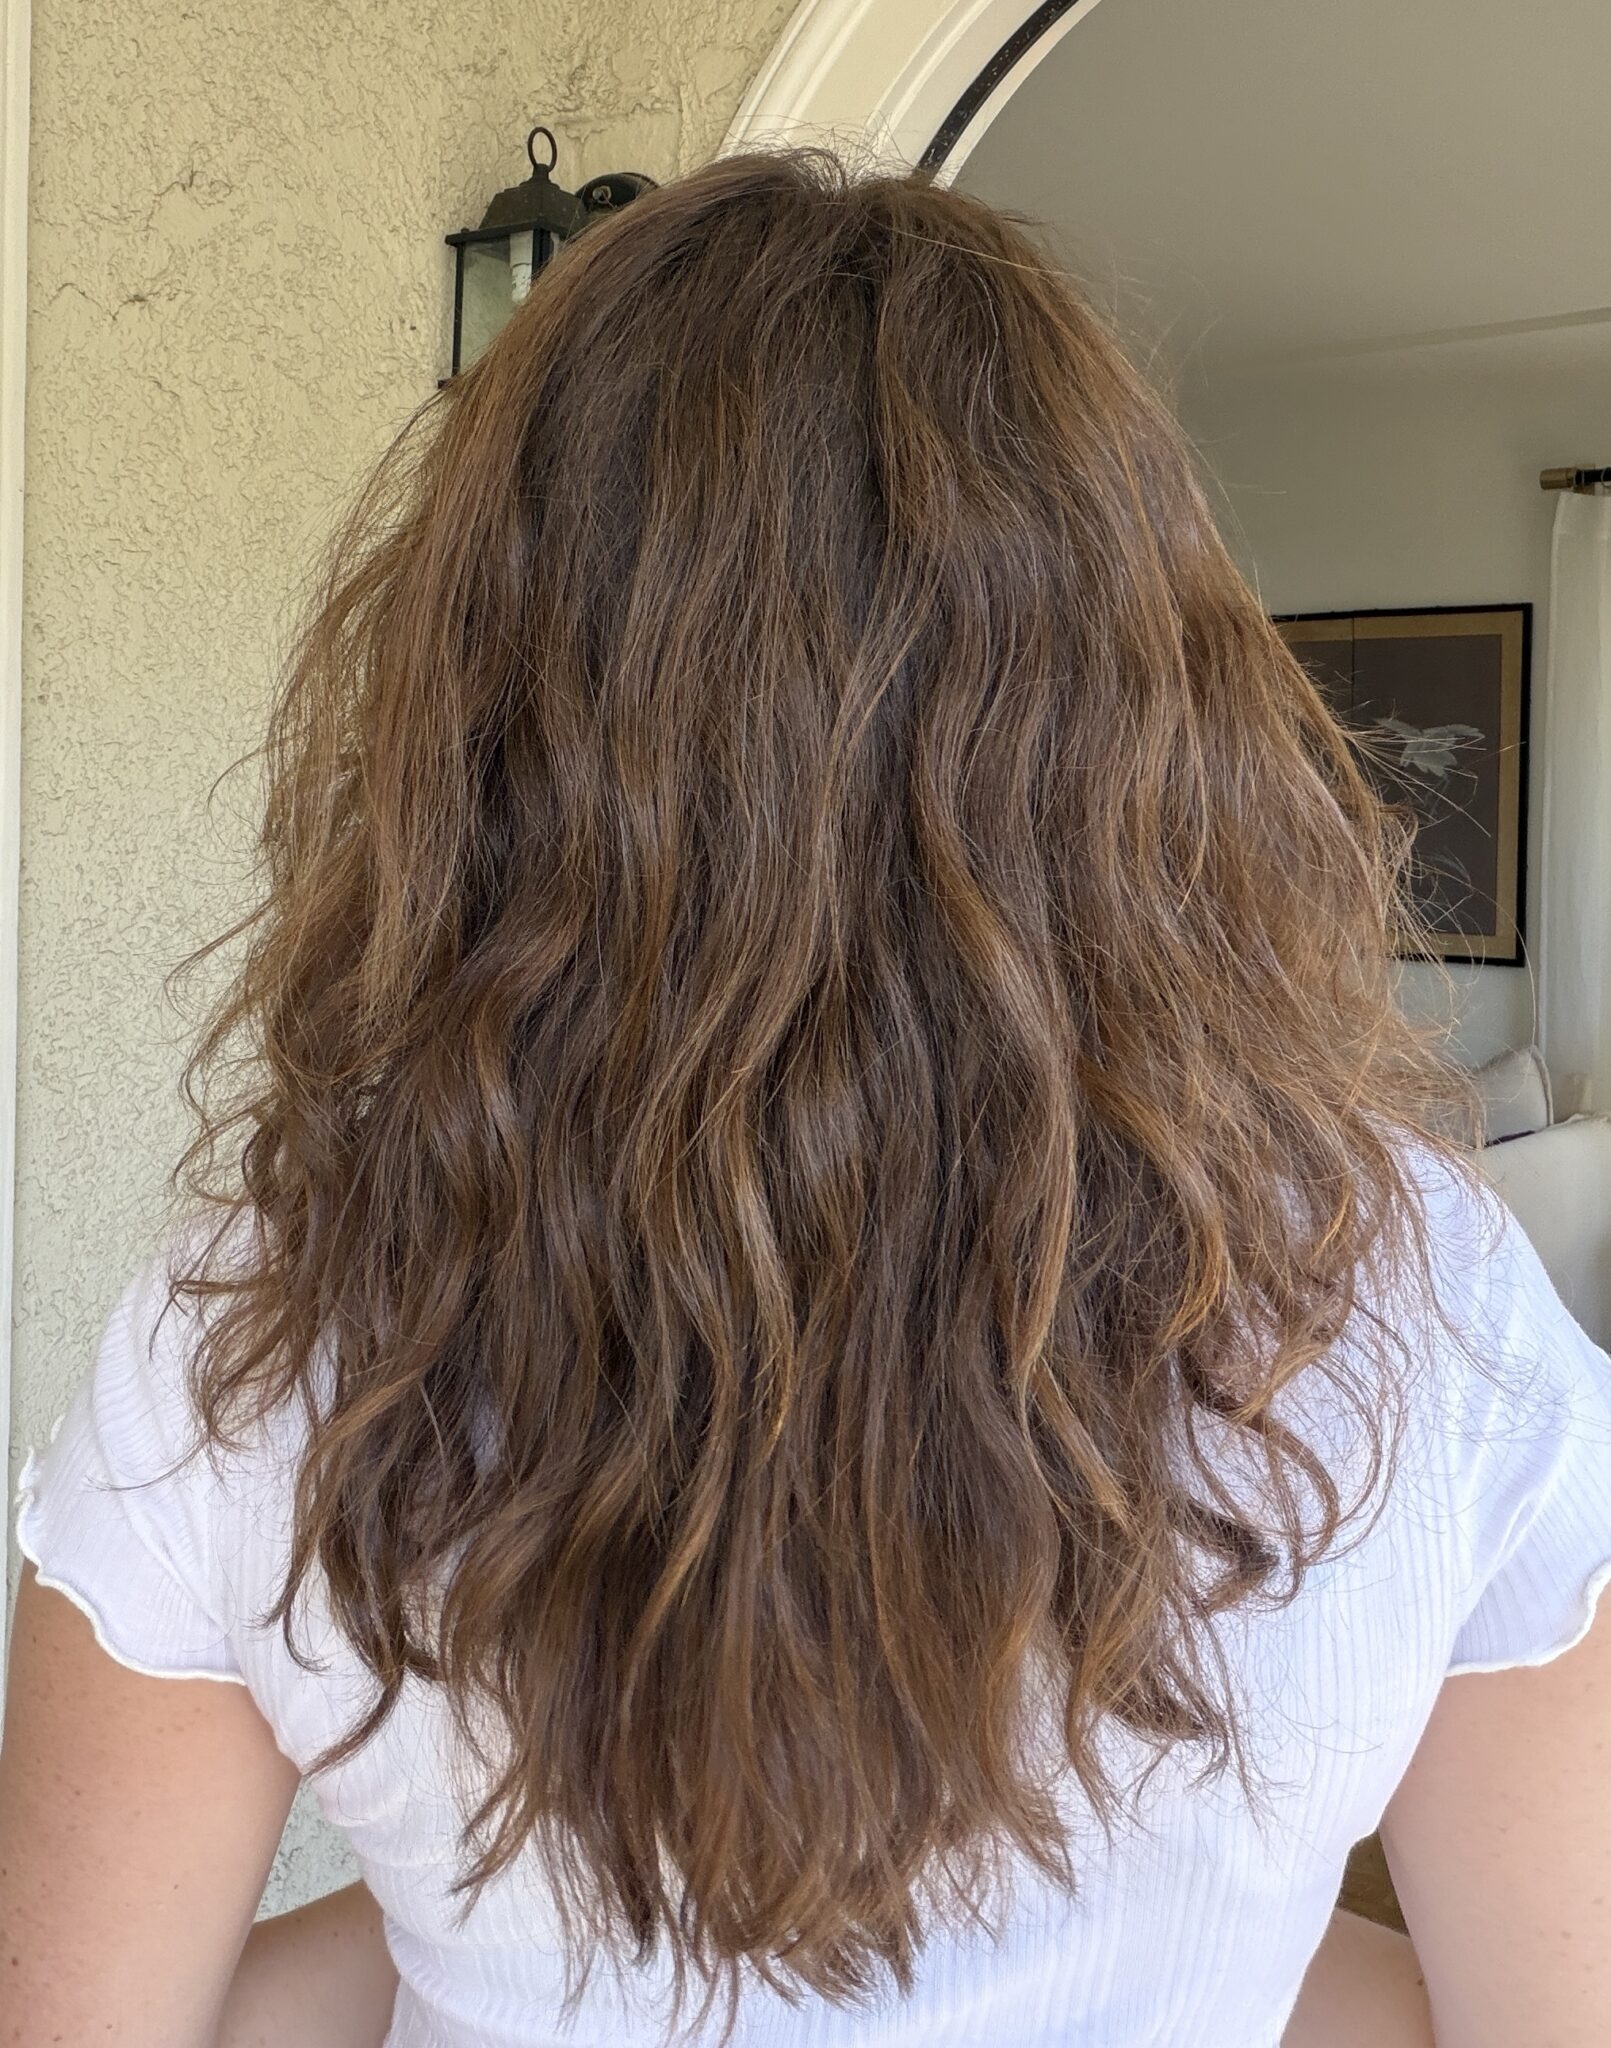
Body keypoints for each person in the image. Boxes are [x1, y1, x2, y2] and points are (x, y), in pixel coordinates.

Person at [2, 148, 1608, 2048]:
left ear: (490, 706)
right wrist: (1218, 1937)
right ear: (1145, 713)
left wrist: (474, 1914)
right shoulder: (1415, 1299)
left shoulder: (267, 1332)